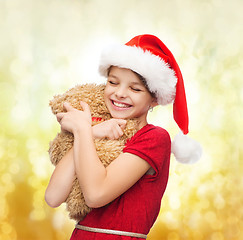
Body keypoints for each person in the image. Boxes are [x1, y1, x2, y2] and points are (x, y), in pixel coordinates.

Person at [45, 34, 201, 240]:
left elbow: (95, 194)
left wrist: (82, 130)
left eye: (135, 88)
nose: (119, 93)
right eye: (113, 82)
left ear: (154, 99)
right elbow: (53, 196)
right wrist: (91, 132)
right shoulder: (99, 131)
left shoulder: (154, 138)